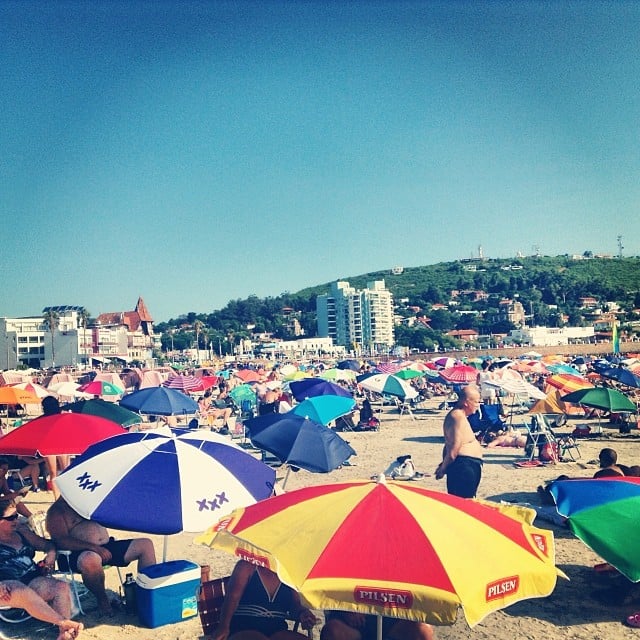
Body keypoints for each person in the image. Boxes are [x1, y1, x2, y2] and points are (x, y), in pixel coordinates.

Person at [46, 497, 156, 615]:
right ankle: (102, 599)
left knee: (145, 545)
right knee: (90, 559)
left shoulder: (88, 499)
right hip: (74, 554)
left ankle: (147, 596)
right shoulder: (57, 511)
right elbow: (61, 540)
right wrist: (94, 547)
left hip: (106, 546)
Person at [0, 499, 83, 640]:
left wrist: (50, 555)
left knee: (61, 587)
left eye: (16, 516)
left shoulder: (22, 533)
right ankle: (64, 622)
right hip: (6, 589)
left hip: (32, 580)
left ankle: (64, 633)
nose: (16, 521)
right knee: (20, 588)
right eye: (10, 518)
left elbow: (47, 545)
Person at [211, 559, 317, 639]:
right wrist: (223, 627)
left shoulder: (288, 572)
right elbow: (232, 599)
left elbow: (295, 605)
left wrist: (302, 613)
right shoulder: (246, 566)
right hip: (244, 625)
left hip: (277, 628)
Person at [435, 384, 483, 498]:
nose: (478, 405)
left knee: (468, 501)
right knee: (465, 503)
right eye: (476, 402)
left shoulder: (460, 416)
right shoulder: (457, 417)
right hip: (463, 466)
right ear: (466, 402)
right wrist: (443, 469)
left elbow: (448, 444)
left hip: (467, 464)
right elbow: (454, 447)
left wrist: (443, 464)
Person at [321, 611, 433, 640]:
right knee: (331, 631)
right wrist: (344, 610)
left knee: (423, 631)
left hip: (390, 618)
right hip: (352, 621)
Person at [41, 396, 70, 498]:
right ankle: (67, 496)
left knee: (53, 473)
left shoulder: (43, 419)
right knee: (66, 471)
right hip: (62, 444)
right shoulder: (63, 416)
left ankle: (57, 498)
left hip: (48, 446)